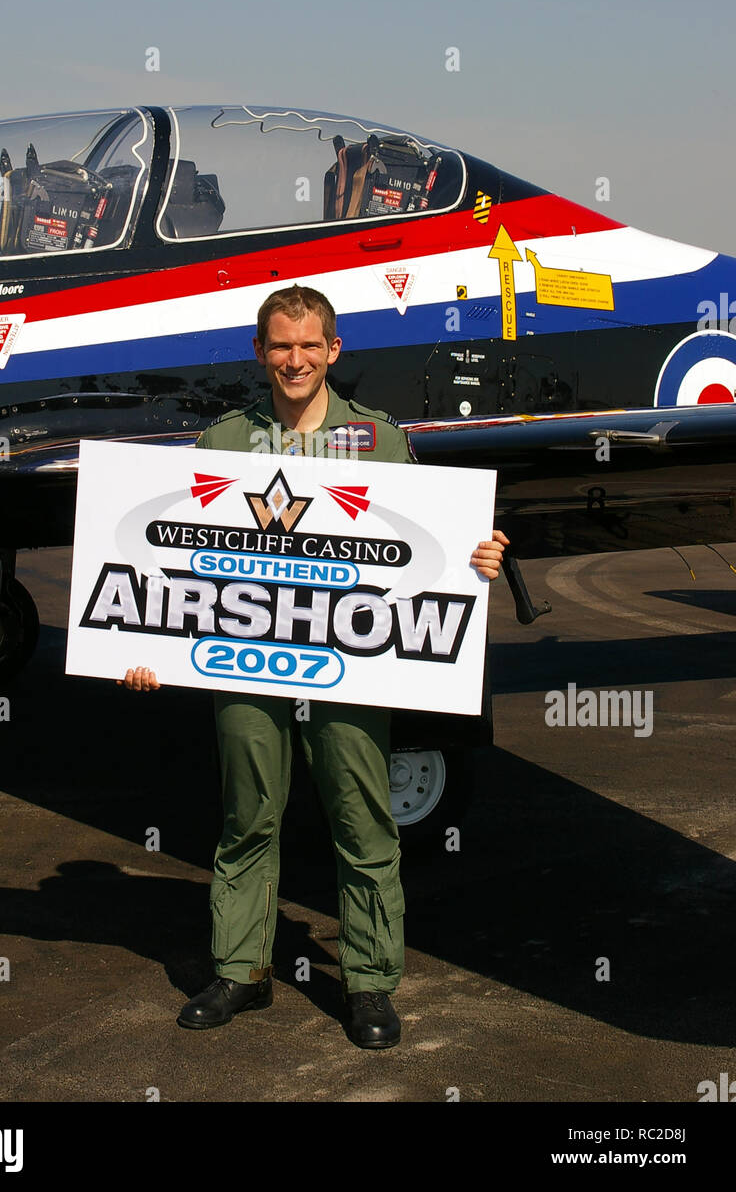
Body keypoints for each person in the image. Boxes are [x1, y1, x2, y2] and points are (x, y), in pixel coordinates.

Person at [123, 284, 507, 1049]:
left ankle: (368, 985)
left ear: (333, 351)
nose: (293, 360)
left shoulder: (380, 439)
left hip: (351, 663)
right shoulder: (224, 442)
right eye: (279, 346)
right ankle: (240, 970)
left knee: (363, 819)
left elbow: (424, 547)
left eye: (308, 346)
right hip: (247, 657)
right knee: (247, 816)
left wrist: (480, 555)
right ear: (261, 353)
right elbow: (168, 562)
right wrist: (144, 649)